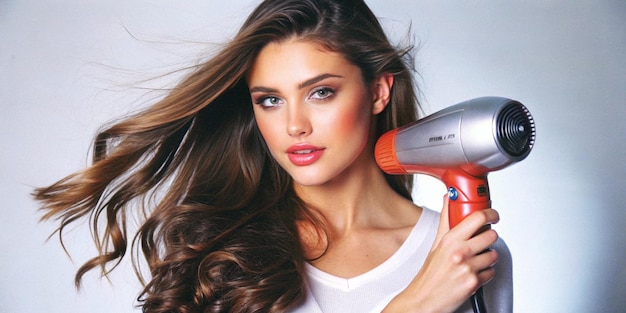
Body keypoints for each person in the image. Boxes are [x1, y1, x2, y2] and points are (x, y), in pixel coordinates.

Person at [34, 0, 512, 312]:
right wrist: (413, 305)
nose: (294, 125)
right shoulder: (218, 251)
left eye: (321, 92)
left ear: (379, 91)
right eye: (270, 99)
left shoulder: (465, 254)